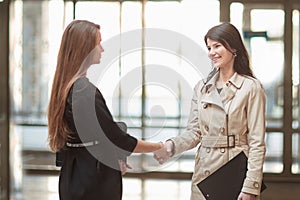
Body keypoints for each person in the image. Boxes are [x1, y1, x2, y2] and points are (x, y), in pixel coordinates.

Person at [47, 20, 163, 200]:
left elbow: (96, 130)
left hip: (75, 173)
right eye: (98, 43)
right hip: (93, 179)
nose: (102, 49)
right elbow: (115, 136)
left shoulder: (67, 87)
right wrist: (159, 146)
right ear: (85, 48)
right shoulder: (83, 91)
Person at [154, 22, 266, 200]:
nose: (211, 52)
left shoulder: (251, 87)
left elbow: (257, 142)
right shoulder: (202, 87)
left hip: (234, 172)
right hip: (204, 172)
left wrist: (251, 186)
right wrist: (171, 145)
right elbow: (194, 132)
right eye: (209, 47)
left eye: (217, 46)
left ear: (233, 47)